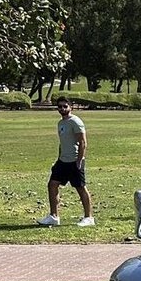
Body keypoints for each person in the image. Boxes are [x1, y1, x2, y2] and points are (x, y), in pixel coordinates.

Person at [36, 96, 95, 227]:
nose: (62, 109)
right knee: (52, 185)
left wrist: (79, 161)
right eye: (60, 106)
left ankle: (89, 218)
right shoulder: (61, 123)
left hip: (74, 160)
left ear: (70, 107)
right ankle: (54, 216)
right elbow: (62, 143)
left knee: (80, 188)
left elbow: (83, 142)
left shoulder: (75, 121)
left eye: (65, 106)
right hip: (62, 161)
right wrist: (59, 158)